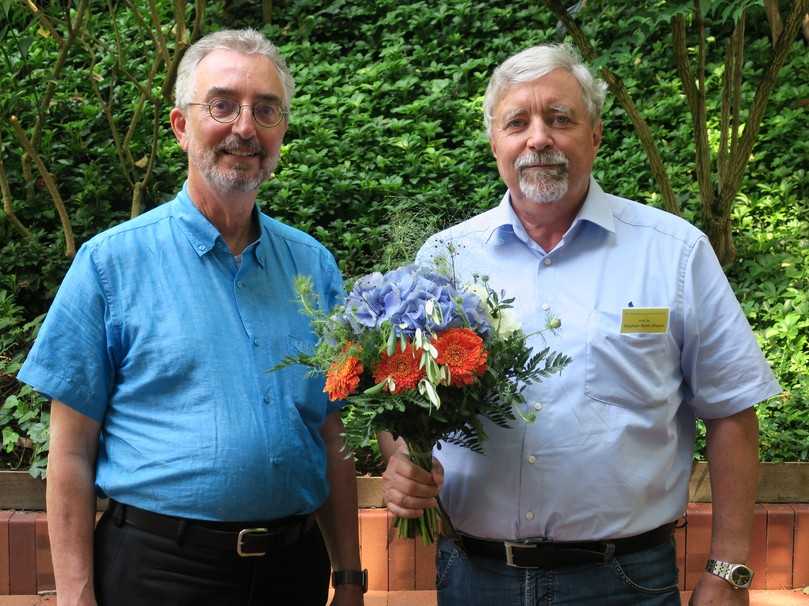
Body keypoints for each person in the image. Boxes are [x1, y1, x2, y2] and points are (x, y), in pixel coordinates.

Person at [380, 43, 780, 606]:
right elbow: (401, 400)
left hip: (625, 583)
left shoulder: (673, 253)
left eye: (560, 118)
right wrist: (400, 459)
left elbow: (733, 409)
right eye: (517, 122)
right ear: (495, 140)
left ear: (594, 134)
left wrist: (730, 568)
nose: (538, 138)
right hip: (475, 579)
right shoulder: (444, 261)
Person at [18, 29, 364, 606]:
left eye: (266, 110)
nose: (245, 128)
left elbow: (332, 433)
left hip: (292, 571)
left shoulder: (314, 267)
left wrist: (350, 577)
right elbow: (71, 449)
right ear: (181, 126)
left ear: (282, 131)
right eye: (222, 105)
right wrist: (76, 598)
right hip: (158, 574)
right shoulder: (110, 263)